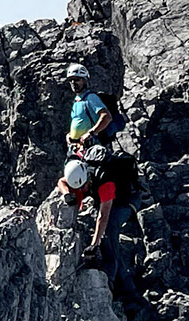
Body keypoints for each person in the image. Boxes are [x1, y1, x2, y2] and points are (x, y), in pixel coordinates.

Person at [57, 63, 138, 291]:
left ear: (86, 79)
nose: (74, 83)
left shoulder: (91, 98)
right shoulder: (77, 102)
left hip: (91, 154)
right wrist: (71, 137)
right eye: (71, 80)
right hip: (78, 153)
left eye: (78, 79)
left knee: (109, 229)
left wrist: (91, 134)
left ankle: (116, 282)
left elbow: (106, 116)